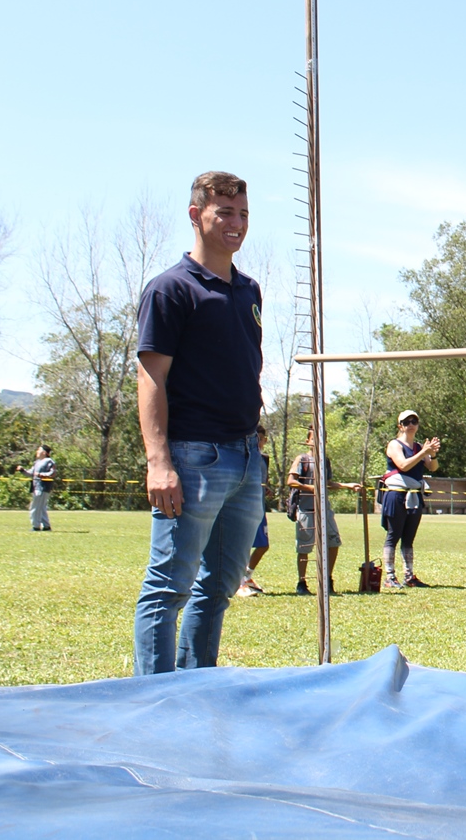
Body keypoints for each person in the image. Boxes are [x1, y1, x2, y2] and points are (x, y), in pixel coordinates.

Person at [133, 171, 265, 675]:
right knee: (169, 588)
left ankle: (196, 687)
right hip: (192, 458)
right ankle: (152, 699)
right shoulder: (171, 289)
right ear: (196, 215)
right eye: (224, 213)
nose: (236, 224)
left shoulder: (249, 290)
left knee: (219, 588)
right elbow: (151, 379)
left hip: (246, 457)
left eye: (244, 214)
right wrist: (159, 461)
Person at [288, 428, 363, 595]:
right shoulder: (302, 460)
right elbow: (291, 481)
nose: (318, 441)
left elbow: (328, 483)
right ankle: (302, 582)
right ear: (308, 441)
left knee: (333, 542)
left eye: (322, 438)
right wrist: (312, 488)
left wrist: (347, 485)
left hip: (324, 510)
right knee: (304, 547)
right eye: (314, 438)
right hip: (306, 509)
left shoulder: (325, 461)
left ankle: (327, 580)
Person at [380, 411, 439, 588]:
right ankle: (389, 576)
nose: (411, 424)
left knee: (409, 538)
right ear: (400, 426)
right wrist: (423, 453)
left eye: (414, 421)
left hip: (414, 495)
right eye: (406, 422)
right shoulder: (394, 445)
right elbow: (403, 465)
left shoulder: (420, 447)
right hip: (396, 495)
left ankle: (409, 576)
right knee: (393, 535)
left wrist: (432, 454)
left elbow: (433, 467)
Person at [237, 426, 272, 598]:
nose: (258, 441)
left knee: (263, 545)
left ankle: (247, 577)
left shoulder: (264, 459)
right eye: (254, 438)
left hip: (259, 506)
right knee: (242, 545)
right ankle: (239, 582)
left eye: (261, 438)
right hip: (245, 507)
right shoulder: (243, 456)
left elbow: (262, 480)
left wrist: (266, 489)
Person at [18, 445, 57, 532]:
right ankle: (46, 526)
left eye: (39, 450)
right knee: (41, 507)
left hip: (42, 487)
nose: (37, 452)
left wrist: (40, 474)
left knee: (35, 507)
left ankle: (36, 526)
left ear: (44, 452)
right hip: (36, 487)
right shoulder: (37, 462)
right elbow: (31, 473)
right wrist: (22, 470)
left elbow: (52, 473)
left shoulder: (49, 461)